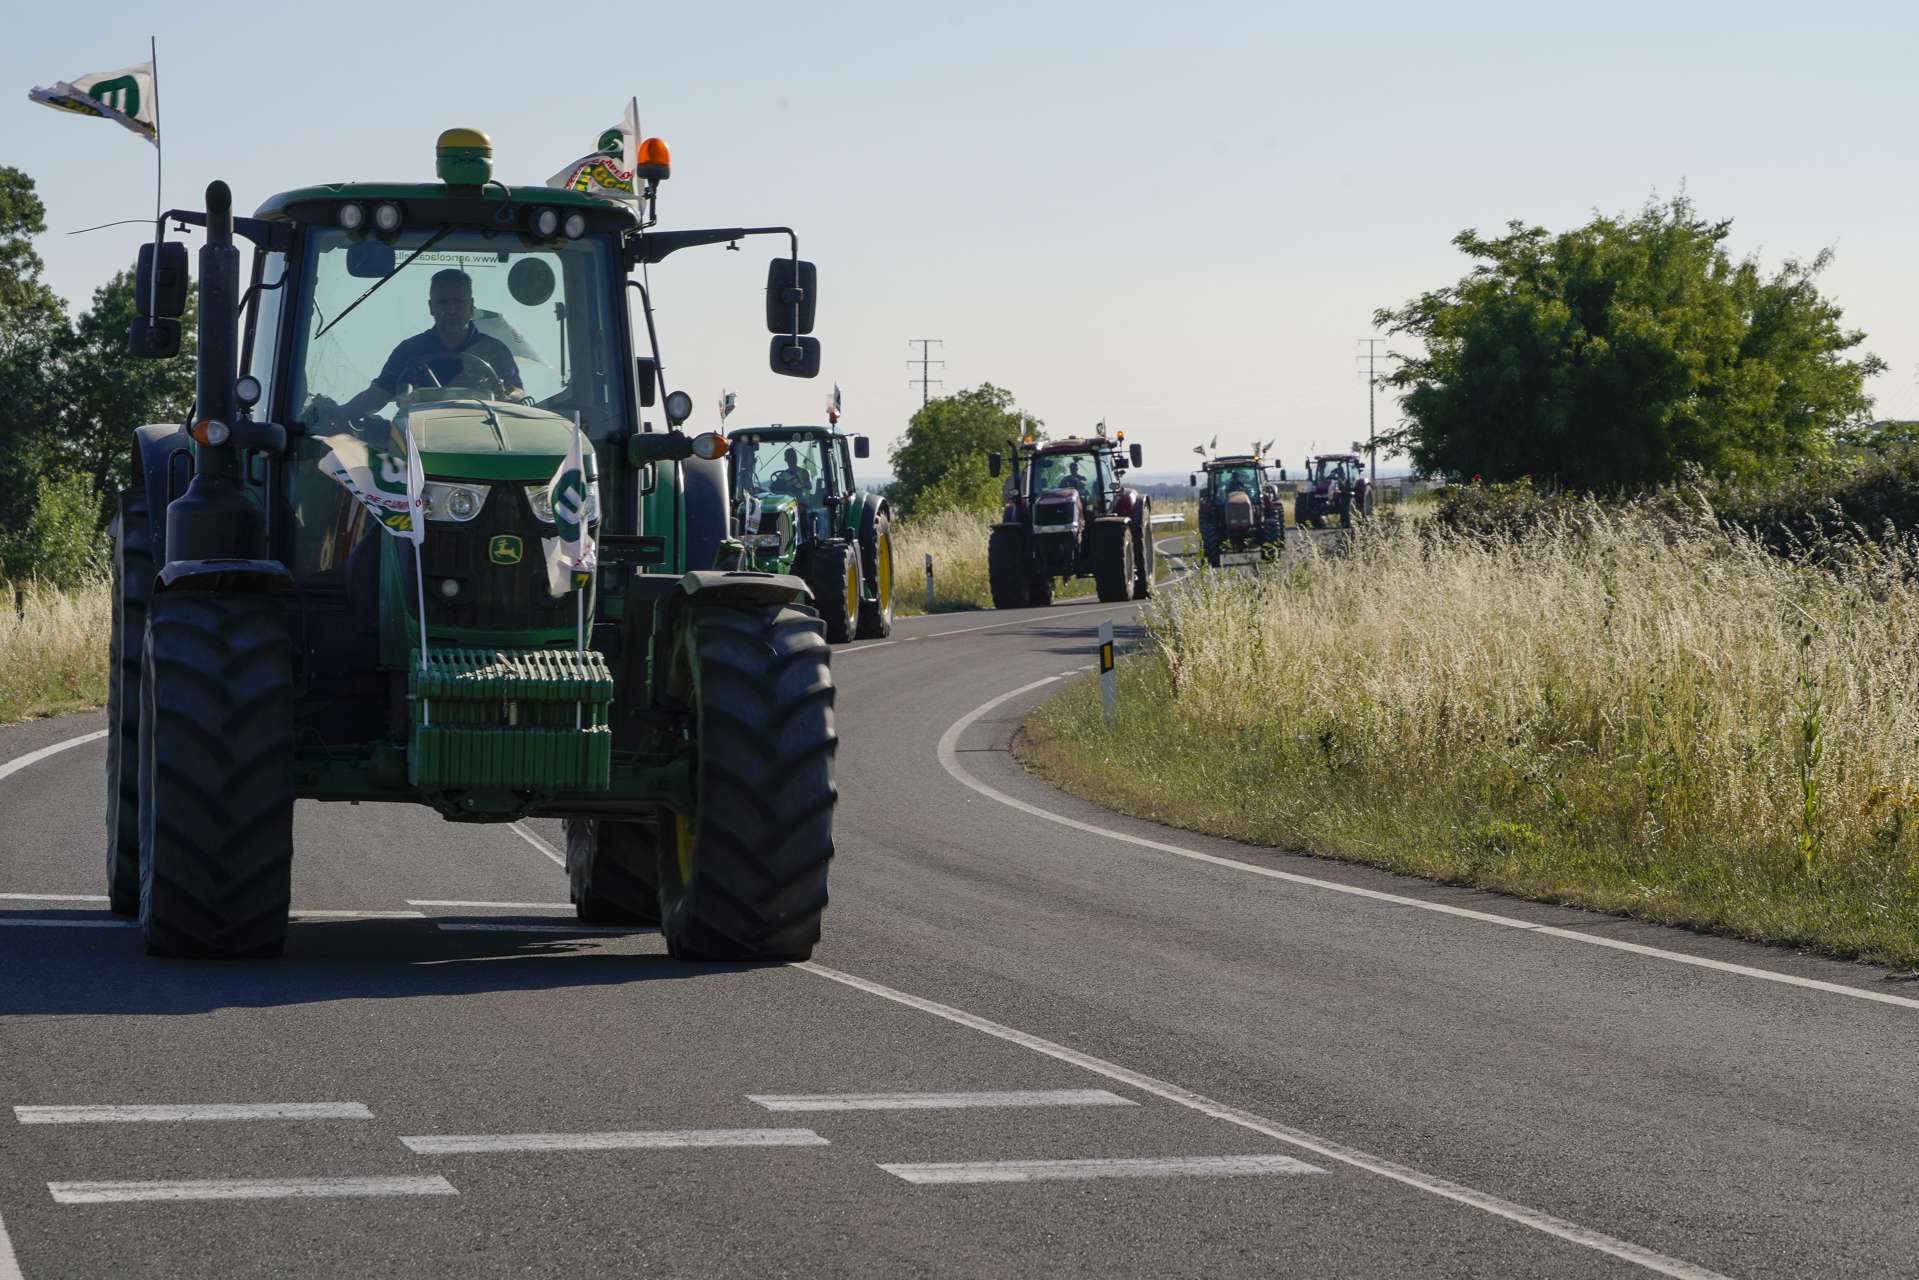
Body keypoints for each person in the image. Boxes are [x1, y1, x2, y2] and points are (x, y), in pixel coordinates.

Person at [319, 269, 528, 422]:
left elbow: (515, 393)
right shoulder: (409, 351)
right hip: (418, 447)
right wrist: (338, 414)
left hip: (482, 442)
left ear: (471, 306)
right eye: (443, 303)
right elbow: (377, 395)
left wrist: (504, 395)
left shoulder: (494, 351)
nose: (451, 309)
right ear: (431, 307)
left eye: (458, 302)